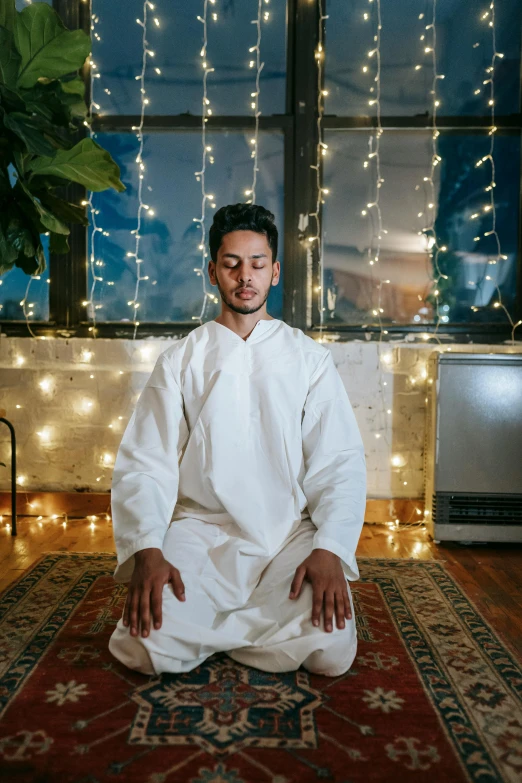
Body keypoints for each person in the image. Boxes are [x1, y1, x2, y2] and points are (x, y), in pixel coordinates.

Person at [108, 203, 367, 677]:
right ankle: (251, 631)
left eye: (257, 263)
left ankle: (216, 635)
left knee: (331, 652)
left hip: (289, 533)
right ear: (212, 271)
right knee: (141, 645)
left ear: (275, 272)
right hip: (202, 533)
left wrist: (329, 548)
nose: (244, 276)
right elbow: (146, 461)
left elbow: (338, 462)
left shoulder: (309, 360)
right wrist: (149, 549)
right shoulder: (181, 361)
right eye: (231, 263)